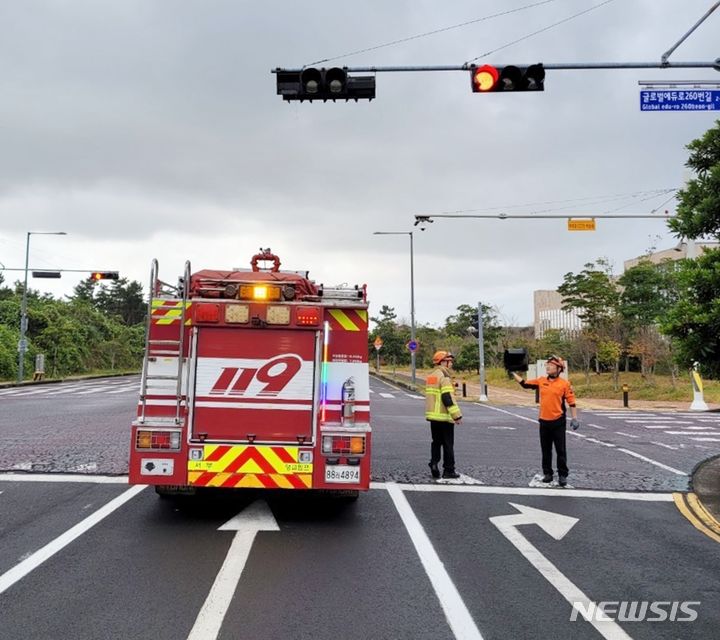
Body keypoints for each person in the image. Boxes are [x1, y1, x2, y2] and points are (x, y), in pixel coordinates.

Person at [512, 355, 579, 487]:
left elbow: (572, 402)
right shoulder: (541, 381)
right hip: (544, 421)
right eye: (547, 365)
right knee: (546, 450)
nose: (548, 367)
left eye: (552, 365)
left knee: (560, 450)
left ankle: (562, 475)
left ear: (559, 369)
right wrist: (513, 372)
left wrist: (574, 418)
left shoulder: (564, 384)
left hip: (558, 421)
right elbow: (525, 384)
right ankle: (547, 473)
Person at [425, 351, 463, 479]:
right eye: (449, 361)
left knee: (436, 442)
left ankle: (434, 463)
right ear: (442, 362)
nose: (451, 363)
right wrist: (456, 415)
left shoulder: (431, 376)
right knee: (448, 444)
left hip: (433, 417)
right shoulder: (444, 377)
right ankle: (449, 470)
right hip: (444, 417)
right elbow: (447, 397)